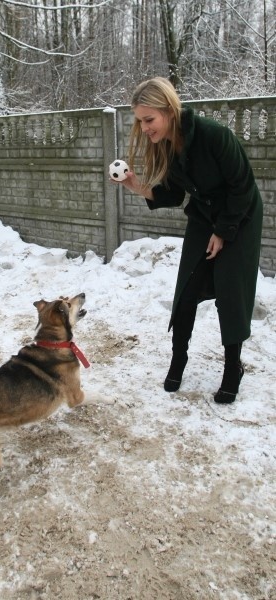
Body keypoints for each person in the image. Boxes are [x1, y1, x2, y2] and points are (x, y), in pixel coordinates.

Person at [116, 77, 263, 403]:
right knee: (187, 290)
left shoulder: (214, 136)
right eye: (140, 121)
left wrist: (224, 231)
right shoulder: (168, 146)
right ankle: (178, 358)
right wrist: (136, 185)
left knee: (230, 292)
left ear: (168, 110)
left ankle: (232, 369)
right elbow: (172, 194)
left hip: (241, 215)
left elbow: (243, 186)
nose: (144, 128)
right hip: (204, 215)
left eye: (149, 119)